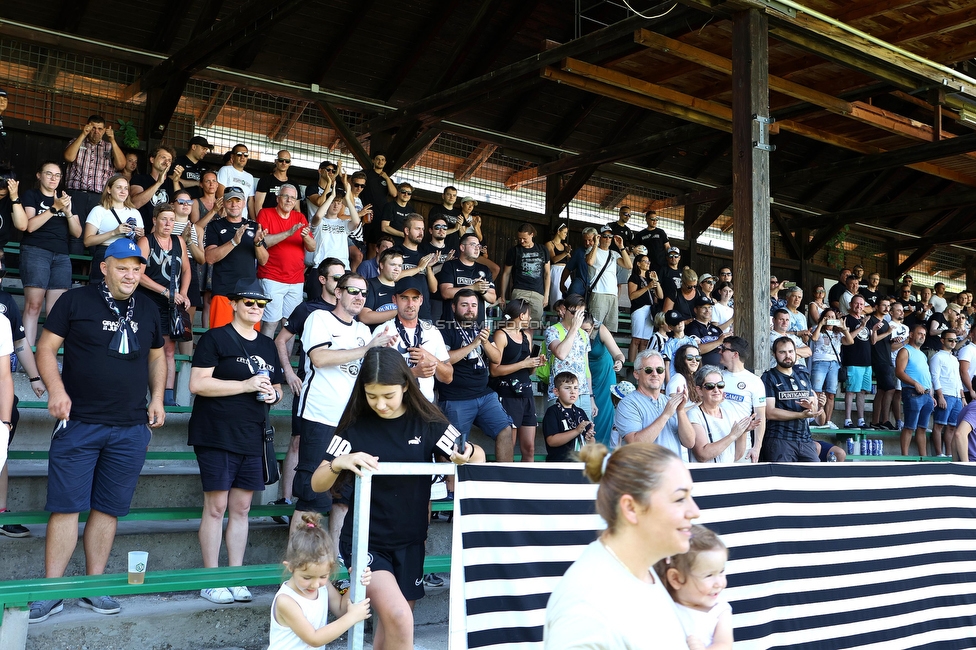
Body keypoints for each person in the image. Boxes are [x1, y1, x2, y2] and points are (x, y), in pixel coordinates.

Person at [310, 348, 482, 650]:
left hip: (412, 540)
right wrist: (340, 462)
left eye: (388, 395)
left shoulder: (426, 423)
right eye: (372, 395)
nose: (380, 404)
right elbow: (317, 481)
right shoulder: (354, 427)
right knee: (401, 617)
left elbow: (474, 454)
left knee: (389, 633)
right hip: (366, 543)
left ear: (405, 385)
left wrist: (467, 455)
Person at [30, 238, 166, 623]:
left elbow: (157, 356)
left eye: (137, 268)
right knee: (66, 507)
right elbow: (45, 348)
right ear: (105, 267)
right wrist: (56, 391)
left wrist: (157, 397)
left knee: (108, 509)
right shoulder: (75, 300)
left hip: (130, 426)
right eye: (122, 266)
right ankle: (51, 591)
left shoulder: (150, 307)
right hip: (79, 424)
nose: (130, 274)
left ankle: (94, 586)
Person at [543, 443, 700, 649]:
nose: (695, 511)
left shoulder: (641, 571)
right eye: (680, 498)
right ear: (631, 508)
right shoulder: (586, 611)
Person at [188, 279, 283, 604]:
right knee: (216, 508)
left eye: (260, 304)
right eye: (248, 302)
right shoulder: (215, 337)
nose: (255, 308)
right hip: (216, 432)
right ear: (233, 303)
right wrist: (244, 385)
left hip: (253, 435)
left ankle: (235, 576)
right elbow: (197, 384)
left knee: (242, 508)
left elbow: (278, 387)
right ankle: (211, 579)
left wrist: (273, 392)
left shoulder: (268, 345)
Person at [292, 273, 397, 540]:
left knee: (343, 496)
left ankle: (336, 556)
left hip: (351, 424)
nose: (359, 297)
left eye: (364, 293)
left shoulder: (363, 331)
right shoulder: (320, 318)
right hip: (321, 417)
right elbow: (319, 358)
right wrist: (368, 349)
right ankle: (300, 563)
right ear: (338, 293)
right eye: (353, 290)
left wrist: (384, 353)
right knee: (313, 495)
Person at [272, 258, 343, 516]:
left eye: (343, 278)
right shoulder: (308, 308)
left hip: (338, 394)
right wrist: (288, 373)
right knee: (297, 441)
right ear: (322, 280)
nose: (340, 284)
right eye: (336, 278)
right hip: (309, 387)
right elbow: (281, 340)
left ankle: (327, 497)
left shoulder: (348, 310)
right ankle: (285, 500)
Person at [269, 511, 372, 649]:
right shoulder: (286, 600)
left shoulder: (324, 587)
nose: (315, 584)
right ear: (290, 567)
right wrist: (352, 617)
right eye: (307, 577)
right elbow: (314, 639)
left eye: (323, 576)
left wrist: (357, 580)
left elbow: (341, 609)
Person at [437, 289, 515, 462]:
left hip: (484, 394)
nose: (470, 309)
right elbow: (445, 359)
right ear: (454, 307)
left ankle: (506, 481)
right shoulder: (443, 329)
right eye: (464, 305)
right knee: (454, 446)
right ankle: (452, 487)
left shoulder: (479, 328)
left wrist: (485, 342)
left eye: (473, 305)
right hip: (456, 397)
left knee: (505, 429)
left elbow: (497, 358)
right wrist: (473, 345)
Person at [20, 161, 83, 345]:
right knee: (34, 305)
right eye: (49, 174)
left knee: (56, 311)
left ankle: (46, 356)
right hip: (35, 251)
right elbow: (30, 226)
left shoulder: (66, 199)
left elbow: (77, 233)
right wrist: (54, 208)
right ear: (39, 175)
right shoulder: (31, 195)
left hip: (61, 256)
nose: (53, 178)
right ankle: (28, 356)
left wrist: (68, 211)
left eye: (57, 175)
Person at [137, 203, 191, 407]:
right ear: (154, 220)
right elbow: (138, 275)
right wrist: (166, 292)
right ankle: (141, 394)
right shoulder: (146, 241)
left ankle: (167, 397)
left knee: (169, 350)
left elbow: (186, 270)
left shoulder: (179, 241)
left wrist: (183, 293)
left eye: (171, 219)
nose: (168, 223)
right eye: (164, 219)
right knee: (146, 347)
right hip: (148, 302)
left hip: (171, 305)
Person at [654, 525, 733, 650]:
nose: (719, 583)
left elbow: (724, 645)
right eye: (709, 575)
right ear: (676, 579)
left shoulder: (719, 611)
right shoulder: (664, 605)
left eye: (721, 571)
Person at [255, 183, 315, 337]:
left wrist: (305, 236)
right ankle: (265, 360)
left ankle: (284, 361)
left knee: (290, 327)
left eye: (293, 198)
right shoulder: (265, 213)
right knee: (270, 322)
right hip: (271, 277)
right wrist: (288, 233)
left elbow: (312, 247)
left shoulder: (300, 217)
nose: (289, 200)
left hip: (296, 279)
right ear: (278, 198)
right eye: (286, 196)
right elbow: (264, 241)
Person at [204, 186, 268, 328]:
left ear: (244, 202)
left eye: (237, 200)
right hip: (223, 291)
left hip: (249, 294)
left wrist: (258, 244)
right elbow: (209, 257)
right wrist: (233, 242)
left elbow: (264, 260)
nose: (234, 205)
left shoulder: (254, 226)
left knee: (249, 340)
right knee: (220, 339)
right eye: (230, 201)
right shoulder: (214, 226)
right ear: (224, 203)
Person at [491, 299, 545, 461]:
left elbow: (528, 371)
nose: (530, 319)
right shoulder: (501, 335)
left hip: (526, 393)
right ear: (521, 316)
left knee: (529, 447)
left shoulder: (526, 335)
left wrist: (535, 363)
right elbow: (494, 371)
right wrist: (524, 363)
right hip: (508, 395)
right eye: (528, 315)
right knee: (509, 444)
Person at [612, 350, 694, 455]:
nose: (655, 374)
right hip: (645, 471)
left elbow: (690, 443)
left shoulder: (670, 402)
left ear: (664, 373)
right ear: (636, 374)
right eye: (648, 370)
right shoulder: (627, 404)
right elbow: (635, 444)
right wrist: (665, 415)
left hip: (672, 469)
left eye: (659, 370)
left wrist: (681, 410)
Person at [760, 337, 825, 462]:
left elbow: (813, 408)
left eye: (790, 351)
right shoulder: (768, 377)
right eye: (782, 352)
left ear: (796, 353)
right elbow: (769, 412)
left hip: (805, 439)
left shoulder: (803, 375)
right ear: (774, 354)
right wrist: (800, 414)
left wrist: (813, 407)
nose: (787, 355)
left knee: (815, 477)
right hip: (780, 439)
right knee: (783, 480)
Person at [62, 115, 126, 232]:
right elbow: (69, 157)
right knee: (75, 231)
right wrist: (83, 134)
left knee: (96, 231)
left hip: (100, 196)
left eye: (100, 129)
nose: (96, 131)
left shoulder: (109, 146)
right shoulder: (76, 141)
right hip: (76, 194)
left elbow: (121, 165)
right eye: (93, 128)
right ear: (87, 127)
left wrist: (112, 140)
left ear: (104, 130)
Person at [687, 366, 758, 463]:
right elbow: (702, 455)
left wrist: (743, 432)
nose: (716, 390)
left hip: (726, 473)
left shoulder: (729, 413)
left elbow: (736, 456)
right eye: (710, 386)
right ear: (699, 390)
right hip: (704, 475)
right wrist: (732, 435)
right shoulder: (694, 414)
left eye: (720, 385)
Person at [82, 173, 145, 281]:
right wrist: (114, 232)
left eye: (126, 188)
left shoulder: (135, 212)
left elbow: (140, 241)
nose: (123, 191)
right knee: (100, 291)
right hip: (106, 252)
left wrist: (140, 236)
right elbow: (87, 241)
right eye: (118, 187)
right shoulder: (99, 210)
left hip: (129, 254)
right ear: (109, 189)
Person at [718, 336, 767, 462]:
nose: (719, 351)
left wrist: (757, 447)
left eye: (723, 349)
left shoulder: (755, 381)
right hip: (716, 441)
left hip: (743, 445)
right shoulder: (716, 377)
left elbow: (760, 416)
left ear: (735, 354)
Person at [545, 294, 594, 419]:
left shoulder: (584, 335)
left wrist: (591, 397)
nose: (577, 317)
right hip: (560, 392)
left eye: (581, 314)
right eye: (573, 312)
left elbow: (586, 368)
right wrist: (574, 328)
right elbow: (560, 353)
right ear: (564, 310)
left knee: (587, 434)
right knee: (563, 434)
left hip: (582, 393)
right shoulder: (552, 330)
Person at [582, 311, 626, 446]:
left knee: (603, 414)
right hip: (584, 376)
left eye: (587, 330)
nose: (584, 333)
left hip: (604, 375)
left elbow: (619, 354)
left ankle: (604, 452)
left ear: (593, 326)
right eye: (581, 330)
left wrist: (619, 362)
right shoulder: (572, 333)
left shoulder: (600, 329)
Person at [436, 232, 496, 324]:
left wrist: (482, 291)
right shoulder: (450, 265)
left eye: (478, 246)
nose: (477, 248)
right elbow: (445, 293)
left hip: (477, 325)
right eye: (473, 245)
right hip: (452, 324)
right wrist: (473, 287)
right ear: (462, 247)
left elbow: (492, 298)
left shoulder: (485, 269)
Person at [500, 223, 550, 331]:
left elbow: (547, 274)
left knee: (533, 325)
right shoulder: (514, 251)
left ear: (532, 235)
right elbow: (506, 274)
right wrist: (502, 295)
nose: (521, 241)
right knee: (517, 323)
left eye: (524, 238)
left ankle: (528, 347)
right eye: (519, 239)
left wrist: (546, 295)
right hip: (519, 291)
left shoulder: (543, 250)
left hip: (538, 293)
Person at [808, 308, 852, 431]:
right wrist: (821, 323)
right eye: (828, 317)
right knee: (815, 392)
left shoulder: (838, 333)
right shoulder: (818, 329)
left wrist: (843, 328)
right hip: (820, 362)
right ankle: (812, 418)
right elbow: (814, 338)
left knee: (831, 394)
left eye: (833, 317)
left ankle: (827, 420)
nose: (831, 319)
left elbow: (850, 341)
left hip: (834, 364)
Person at [895, 324, 935, 456]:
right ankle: (904, 457)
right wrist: (915, 383)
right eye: (919, 333)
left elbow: (926, 376)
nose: (922, 337)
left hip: (927, 394)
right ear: (911, 334)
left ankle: (923, 458)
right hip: (912, 392)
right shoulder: (905, 350)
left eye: (924, 334)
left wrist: (932, 395)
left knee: (922, 428)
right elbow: (899, 372)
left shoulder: (922, 354)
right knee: (909, 427)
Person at [586, 226, 631, 333]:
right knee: (593, 329)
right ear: (599, 237)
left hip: (613, 295)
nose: (607, 239)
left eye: (610, 237)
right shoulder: (592, 250)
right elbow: (590, 262)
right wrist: (595, 244)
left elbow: (629, 265)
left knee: (609, 330)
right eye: (605, 236)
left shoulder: (614, 254)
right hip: (598, 293)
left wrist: (621, 247)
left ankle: (605, 350)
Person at [543, 372, 595, 462]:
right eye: (567, 388)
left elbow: (591, 443)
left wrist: (589, 438)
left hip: (579, 461)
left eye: (576, 388)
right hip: (559, 463)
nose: (572, 391)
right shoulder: (552, 411)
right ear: (556, 392)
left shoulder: (580, 412)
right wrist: (576, 431)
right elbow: (551, 441)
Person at [130, 144, 183, 228]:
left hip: (167, 232)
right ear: (152, 159)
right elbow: (134, 204)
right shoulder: (139, 179)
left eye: (169, 160)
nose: (166, 162)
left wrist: (176, 181)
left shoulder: (174, 183)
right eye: (163, 157)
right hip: (142, 231)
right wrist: (158, 182)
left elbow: (182, 210)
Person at [930, 329, 964, 457]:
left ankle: (949, 454)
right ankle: (939, 453)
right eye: (950, 340)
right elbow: (935, 377)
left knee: (952, 427)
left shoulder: (955, 359)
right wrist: (940, 396)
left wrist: (962, 397)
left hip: (956, 396)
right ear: (942, 340)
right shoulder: (937, 357)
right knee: (939, 424)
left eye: (955, 340)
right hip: (945, 394)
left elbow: (958, 379)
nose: (953, 342)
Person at [841, 295, 872, 428]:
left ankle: (861, 419)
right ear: (850, 304)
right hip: (853, 360)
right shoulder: (845, 319)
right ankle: (847, 420)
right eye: (856, 304)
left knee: (862, 392)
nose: (859, 306)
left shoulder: (866, 320)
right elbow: (846, 340)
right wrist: (861, 326)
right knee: (851, 391)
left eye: (861, 304)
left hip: (867, 361)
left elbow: (871, 340)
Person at [628, 253, 662, 363]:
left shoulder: (649, 279)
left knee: (645, 341)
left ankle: (640, 365)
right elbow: (632, 296)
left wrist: (656, 281)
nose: (648, 263)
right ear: (638, 264)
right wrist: (647, 287)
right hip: (638, 309)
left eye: (649, 262)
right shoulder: (634, 277)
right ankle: (631, 365)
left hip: (650, 310)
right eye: (645, 261)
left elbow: (660, 296)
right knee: (636, 339)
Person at [216, 144, 256, 219]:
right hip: (227, 217)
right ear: (232, 157)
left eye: (246, 155)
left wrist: (254, 220)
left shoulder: (250, 177)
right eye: (239, 154)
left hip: (242, 219)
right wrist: (224, 210)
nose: (243, 157)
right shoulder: (225, 170)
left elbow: (250, 202)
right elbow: (220, 193)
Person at [634, 210, 670, 277]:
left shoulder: (661, 232)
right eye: (652, 219)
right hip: (646, 266)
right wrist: (634, 249)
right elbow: (633, 246)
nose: (655, 221)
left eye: (656, 219)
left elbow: (667, 247)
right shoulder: (640, 234)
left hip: (661, 265)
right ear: (647, 220)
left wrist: (670, 260)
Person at [379, 181, 415, 247]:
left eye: (409, 193)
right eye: (403, 192)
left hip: (405, 244)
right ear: (398, 192)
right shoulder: (390, 206)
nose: (406, 194)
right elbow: (384, 227)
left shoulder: (411, 210)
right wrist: (402, 234)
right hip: (390, 243)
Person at [545, 223, 572, 306]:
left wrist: (568, 253)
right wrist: (565, 252)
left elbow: (570, 259)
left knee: (568, 293)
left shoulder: (565, 245)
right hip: (555, 270)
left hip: (565, 270)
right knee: (556, 294)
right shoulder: (550, 244)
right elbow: (554, 259)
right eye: (564, 232)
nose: (566, 235)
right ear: (558, 232)